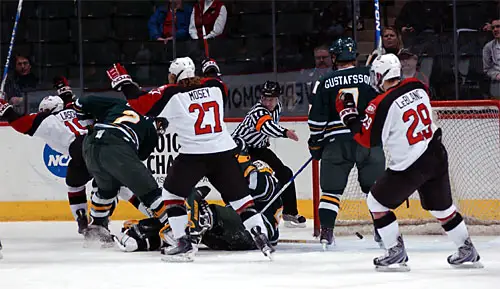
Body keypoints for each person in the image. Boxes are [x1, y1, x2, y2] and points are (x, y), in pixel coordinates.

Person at [106, 57, 274, 261]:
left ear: (174, 75)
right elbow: (215, 79)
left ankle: (184, 245)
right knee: (242, 201)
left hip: (194, 155)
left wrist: (125, 83)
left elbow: (140, 104)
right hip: (223, 152)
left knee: (171, 195)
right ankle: (262, 240)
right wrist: (211, 66)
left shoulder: (172, 93)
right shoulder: (215, 87)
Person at [335, 53, 482, 271]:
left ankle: (394, 251)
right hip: (435, 152)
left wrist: (348, 114)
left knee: (376, 203)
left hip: (411, 164)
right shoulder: (418, 85)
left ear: (380, 75)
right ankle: (466, 248)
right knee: (442, 209)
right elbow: (393, 104)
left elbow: (366, 139)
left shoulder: (381, 103)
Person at [115, 138, 283, 252]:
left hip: (260, 234)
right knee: (184, 217)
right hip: (231, 236)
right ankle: (144, 238)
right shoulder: (233, 176)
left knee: (206, 211)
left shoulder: (258, 169)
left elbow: (262, 188)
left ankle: (179, 233)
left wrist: (246, 170)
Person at [308, 37, 385, 249]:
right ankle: (382, 231)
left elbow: (316, 119)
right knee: (376, 190)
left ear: (335, 57)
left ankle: (326, 234)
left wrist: (315, 142)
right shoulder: (370, 75)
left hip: (336, 142)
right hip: (368, 140)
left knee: (331, 192)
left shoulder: (324, 81)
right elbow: (383, 104)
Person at [0, 77, 93, 234]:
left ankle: (86, 222)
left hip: (79, 150)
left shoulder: (47, 120)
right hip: (97, 142)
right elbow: (67, 97)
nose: (41, 112)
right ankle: (145, 208)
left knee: (76, 184)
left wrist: (4, 107)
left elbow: (19, 123)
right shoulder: (74, 108)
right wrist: (62, 85)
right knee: (111, 183)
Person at [73, 95, 169, 246]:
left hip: (89, 145)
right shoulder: (151, 130)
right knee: (150, 192)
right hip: (117, 146)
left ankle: (96, 229)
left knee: (107, 190)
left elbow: (80, 103)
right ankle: (175, 230)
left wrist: (89, 125)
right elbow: (136, 158)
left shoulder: (120, 104)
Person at [231, 80, 304, 228]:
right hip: (240, 149)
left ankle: (290, 213)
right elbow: (267, 127)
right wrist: (285, 132)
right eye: (265, 98)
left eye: (271, 99)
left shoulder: (278, 107)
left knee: (285, 173)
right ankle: (239, 214)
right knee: (246, 181)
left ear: (277, 98)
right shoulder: (258, 111)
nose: (267, 102)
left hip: (258, 148)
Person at [483, 18, 500, 99]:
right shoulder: (488, 47)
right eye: (493, 28)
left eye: (498, 26)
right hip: (497, 87)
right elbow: (487, 69)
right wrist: (497, 75)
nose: (495, 30)